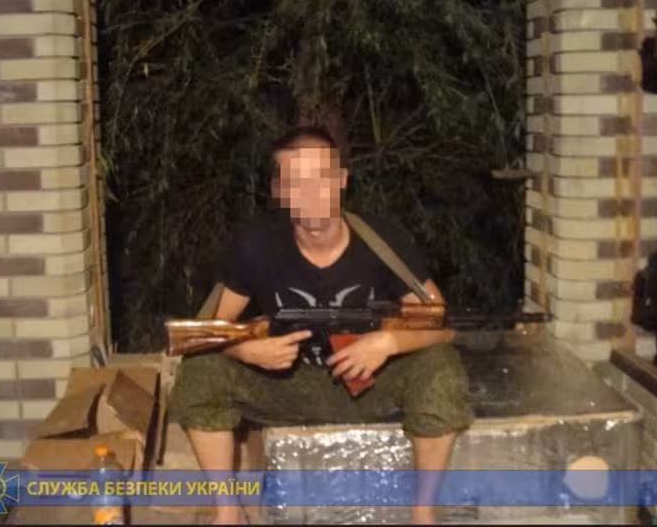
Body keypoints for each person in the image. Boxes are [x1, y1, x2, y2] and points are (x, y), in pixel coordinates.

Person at [169, 126, 474, 524]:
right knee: (200, 370)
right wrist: (246, 350)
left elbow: (441, 323)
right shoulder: (256, 245)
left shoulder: (382, 240)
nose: (310, 194)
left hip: (369, 385)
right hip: (283, 388)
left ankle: (423, 514)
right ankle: (228, 513)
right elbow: (202, 332)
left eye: (321, 178)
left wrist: (386, 343)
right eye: (295, 182)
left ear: (342, 179)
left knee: (439, 364)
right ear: (279, 192)